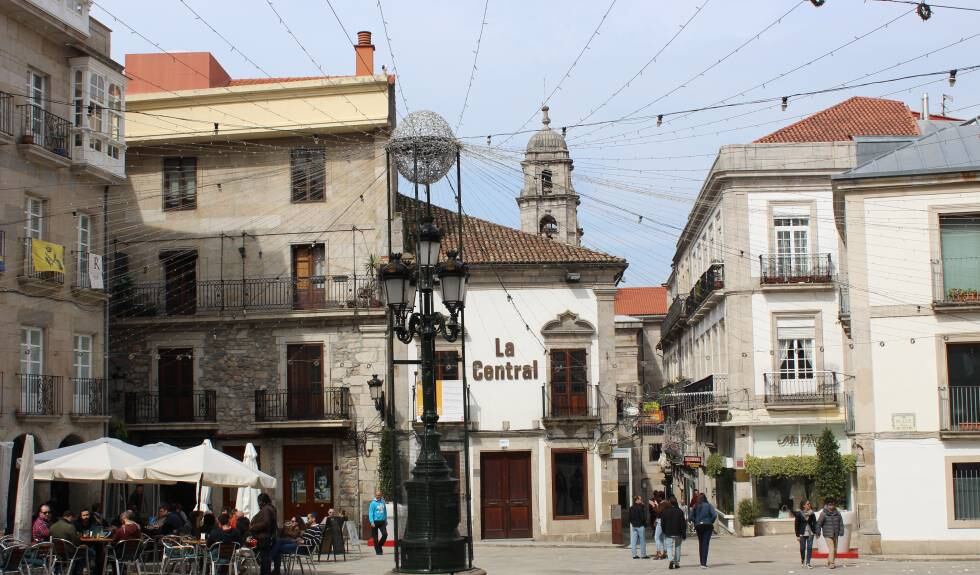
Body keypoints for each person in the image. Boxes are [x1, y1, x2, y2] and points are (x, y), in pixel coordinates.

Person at [249, 493, 277, 575]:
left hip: (264, 537)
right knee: (265, 559)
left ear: (262, 501)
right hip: (266, 537)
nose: (258, 504)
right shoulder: (270, 508)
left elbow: (266, 522)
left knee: (265, 559)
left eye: (259, 502)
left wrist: (253, 527)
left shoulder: (266, 509)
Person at [817, 499, 844, 570]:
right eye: (830, 505)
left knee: (835, 549)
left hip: (835, 533)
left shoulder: (837, 513)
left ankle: (830, 561)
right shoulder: (823, 513)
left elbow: (841, 523)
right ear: (827, 505)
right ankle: (832, 563)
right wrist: (818, 532)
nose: (831, 506)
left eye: (833, 505)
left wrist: (841, 531)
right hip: (827, 534)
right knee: (831, 548)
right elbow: (819, 523)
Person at [661, 496, 687, 570]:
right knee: (677, 547)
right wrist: (684, 533)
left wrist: (664, 531)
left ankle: (670, 560)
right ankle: (676, 563)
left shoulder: (665, 511)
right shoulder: (680, 511)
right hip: (678, 532)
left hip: (668, 532)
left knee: (669, 547)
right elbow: (683, 524)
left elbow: (663, 523)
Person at [692, 493, 718, 569]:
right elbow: (714, 515)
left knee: (701, 543)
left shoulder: (695, 506)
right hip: (707, 526)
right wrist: (710, 521)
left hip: (698, 526)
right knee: (705, 544)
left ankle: (701, 562)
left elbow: (691, 516)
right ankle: (704, 563)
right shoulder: (709, 505)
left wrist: (696, 521)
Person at [794, 500, 817, 569]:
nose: (809, 505)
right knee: (802, 548)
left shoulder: (812, 513)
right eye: (807, 504)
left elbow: (815, 523)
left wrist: (816, 532)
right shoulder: (799, 514)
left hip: (810, 533)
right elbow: (796, 525)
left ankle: (808, 563)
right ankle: (802, 560)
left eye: (809, 504)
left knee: (809, 548)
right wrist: (797, 535)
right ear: (803, 505)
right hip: (802, 533)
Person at [628, 495, 650, 560]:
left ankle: (634, 555)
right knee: (642, 541)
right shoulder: (640, 507)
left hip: (634, 526)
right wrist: (645, 524)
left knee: (633, 541)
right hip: (640, 526)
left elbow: (629, 518)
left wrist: (632, 523)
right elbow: (643, 517)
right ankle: (643, 555)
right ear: (637, 500)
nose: (641, 500)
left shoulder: (631, 507)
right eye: (640, 499)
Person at [368, 491, 388, 556]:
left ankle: (380, 545)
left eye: (379, 495)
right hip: (375, 522)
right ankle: (378, 551)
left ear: (381, 495)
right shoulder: (373, 503)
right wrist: (371, 521)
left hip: (382, 521)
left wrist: (385, 519)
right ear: (375, 495)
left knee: (385, 534)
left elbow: (385, 511)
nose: (378, 496)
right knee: (375, 538)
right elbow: (370, 513)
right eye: (377, 495)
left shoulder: (383, 502)